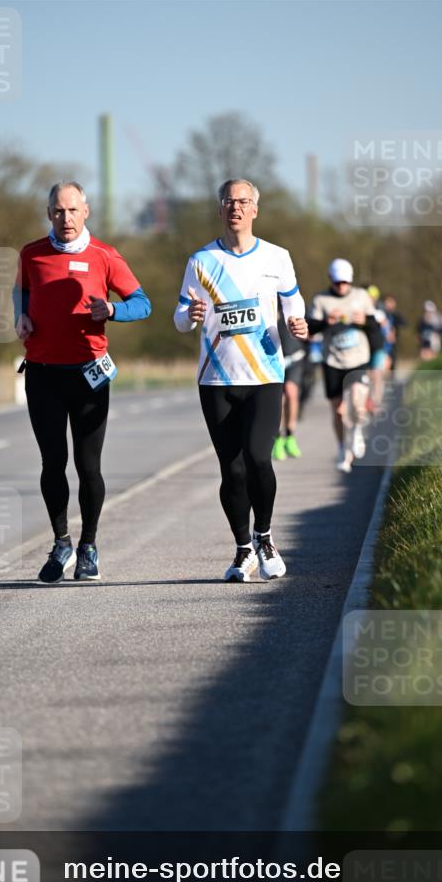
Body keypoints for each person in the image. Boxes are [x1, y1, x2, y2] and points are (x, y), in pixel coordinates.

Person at [14, 181, 151, 583]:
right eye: (58, 211)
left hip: (88, 373)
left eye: (73, 210)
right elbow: (20, 290)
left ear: (85, 212)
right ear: (49, 214)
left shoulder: (104, 256)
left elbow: (143, 303)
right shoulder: (31, 253)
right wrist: (20, 316)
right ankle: (61, 543)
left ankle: (89, 546)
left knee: (88, 465)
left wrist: (111, 309)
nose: (66, 218)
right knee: (52, 463)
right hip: (41, 373)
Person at [173, 178, 308, 582]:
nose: (236, 207)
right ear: (220, 209)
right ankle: (243, 549)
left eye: (243, 201)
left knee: (258, 457)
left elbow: (293, 299)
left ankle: (265, 537)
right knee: (230, 469)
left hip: (265, 375)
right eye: (229, 201)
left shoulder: (277, 257)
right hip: (216, 378)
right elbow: (180, 318)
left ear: (255, 210)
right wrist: (190, 317)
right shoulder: (201, 261)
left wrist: (294, 320)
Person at [307, 258, 384, 473]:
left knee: (358, 403)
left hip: (357, 359)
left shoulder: (361, 296)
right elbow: (309, 328)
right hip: (332, 361)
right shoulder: (321, 300)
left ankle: (358, 433)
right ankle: (342, 448)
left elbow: (376, 326)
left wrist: (364, 321)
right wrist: (326, 322)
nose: (342, 286)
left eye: (345, 282)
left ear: (351, 281)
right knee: (339, 411)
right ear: (330, 279)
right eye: (338, 282)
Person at [272, 314, 306, 460]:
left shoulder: (291, 299)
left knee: (291, 393)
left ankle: (290, 436)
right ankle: (278, 438)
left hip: (294, 357)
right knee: (279, 399)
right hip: (274, 360)